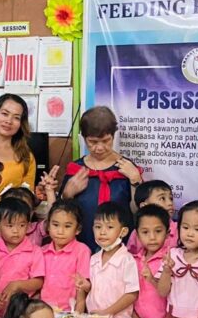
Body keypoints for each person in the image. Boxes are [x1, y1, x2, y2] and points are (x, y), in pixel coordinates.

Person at [57, 106, 142, 252]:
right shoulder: (76, 170)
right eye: (93, 142)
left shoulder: (126, 168)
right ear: (83, 138)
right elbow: (61, 214)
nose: (100, 148)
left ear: (114, 136)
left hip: (120, 250)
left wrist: (135, 180)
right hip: (82, 247)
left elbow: (137, 211)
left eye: (106, 141)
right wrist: (67, 194)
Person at [0, 197, 45, 316]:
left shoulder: (35, 251)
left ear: (28, 225)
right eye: (10, 226)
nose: (16, 230)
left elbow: (38, 282)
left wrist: (17, 285)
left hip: (21, 312)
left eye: (21, 225)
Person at [83, 202, 139, 318]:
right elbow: (96, 288)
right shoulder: (94, 259)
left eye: (109, 227)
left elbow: (132, 294)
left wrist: (106, 313)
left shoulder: (127, 260)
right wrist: (86, 286)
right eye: (98, 227)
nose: (102, 232)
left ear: (123, 232)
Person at [40, 199, 90, 312]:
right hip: (43, 312)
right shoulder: (41, 252)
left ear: (78, 229)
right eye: (55, 225)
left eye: (67, 226)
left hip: (69, 313)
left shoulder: (82, 251)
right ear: (48, 226)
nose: (60, 231)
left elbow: (81, 290)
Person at [133, 204, 173, 318]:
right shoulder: (133, 260)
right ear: (137, 235)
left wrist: (151, 279)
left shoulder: (170, 260)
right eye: (145, 232)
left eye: (158, 231)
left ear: (167, 233)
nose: (152, 237)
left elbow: (167, 292)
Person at [127, 179, 178, 254]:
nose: (170, 203)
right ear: (144, 206)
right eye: (162, 198)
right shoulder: (136, 233)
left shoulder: (178, 230)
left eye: (171, 198)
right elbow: (130, 256)